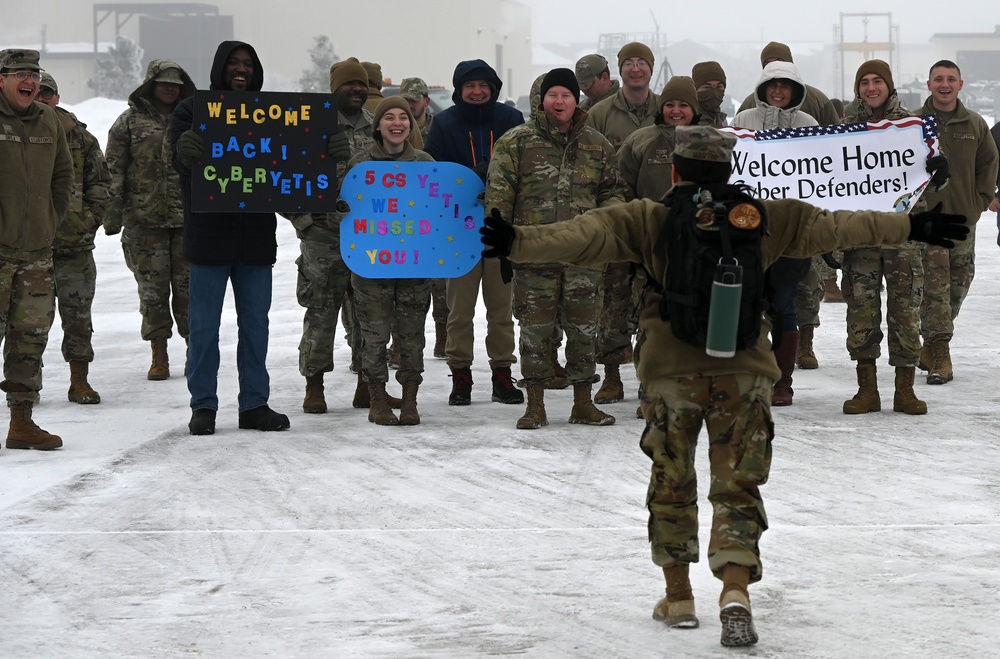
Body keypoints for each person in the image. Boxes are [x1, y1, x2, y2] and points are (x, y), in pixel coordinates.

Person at [479, 125, 969, 648]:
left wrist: (518, 240)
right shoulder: (766, 217)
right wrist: (914, 225)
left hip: (671, 374)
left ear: (676, 170)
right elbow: (845, 226)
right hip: (746, 372)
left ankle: (679, 597)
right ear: (731, 171)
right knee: (737, 485)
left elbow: (579, 237)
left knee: (672, 482)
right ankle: (735, 591)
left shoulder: (648, 217)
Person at [488, 67, 625, 429]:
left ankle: (583, 402)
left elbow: (613, 191)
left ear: (575, 99)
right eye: (553, 95)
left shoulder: (597, 145)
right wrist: (504, 245)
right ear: (542, 100)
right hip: (535, 255)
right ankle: (535, 404)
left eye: (566, 95)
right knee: (535, 330)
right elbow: (499, 197)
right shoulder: (515, 143)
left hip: (585, 256)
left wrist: (606, 229)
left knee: (584, 330)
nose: (559, 101)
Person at [171, 40, 289, 435]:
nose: (241, 70)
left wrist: (327, 151)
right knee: (203, 327)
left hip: (255, 238)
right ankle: (203, 404)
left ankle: (254, 403)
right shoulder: (192, 110)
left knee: (256, 325)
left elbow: (295, 164)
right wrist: (181, 152)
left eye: (248, 64)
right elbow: (174, 160)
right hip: (208, 238)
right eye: (234, 63)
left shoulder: (274, 115)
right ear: (220, 68)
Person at [840, 59, 950, 415]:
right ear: (858, 89)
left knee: (906, 314)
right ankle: (866, 390)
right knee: (861, 313)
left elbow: (933, 182)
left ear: (888, 86)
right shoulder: (844, 129)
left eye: (877, 81)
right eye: (864, 82)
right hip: (860, 239)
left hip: (903, 237)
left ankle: (905, 390)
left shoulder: (912, 126)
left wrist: (939, 171)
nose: (871, 88)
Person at [285, 57, 385, 414]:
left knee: (367, 313)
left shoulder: (377, 127)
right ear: (334, 89)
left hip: (367, 237)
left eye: (361, 84)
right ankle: (315, 386)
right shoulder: (311, 126)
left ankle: (366, 383)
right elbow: (282, 179)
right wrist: (305, 221)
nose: (357, 89)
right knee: (321, 313)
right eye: (349, 84)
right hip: (323, 239)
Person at [423, 58, 525, 406]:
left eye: (484, 85)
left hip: (500, 229)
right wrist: (470, 174)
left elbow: (524, 168)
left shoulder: (511, 120)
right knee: (459, 310)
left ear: (493, 89)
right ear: (459, 91)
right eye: (470, 86)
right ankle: (461, 375)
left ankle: (502, 374)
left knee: (501, 310)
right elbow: (431, 175)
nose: (477, 91)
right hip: (458, 231)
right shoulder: (444, 123)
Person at [731, 60, 818, 406]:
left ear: (796, 91)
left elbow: (822, 174)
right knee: (747, 307)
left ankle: (782, 383)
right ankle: (751, 377)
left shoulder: (808, 125)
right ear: (763, 88)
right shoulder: (744, 121)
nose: (778, 91)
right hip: (748, 233)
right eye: (772, 85)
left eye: (785, 86)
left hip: (790, 234)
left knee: (784, 306)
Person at [0, 49, 73, 450]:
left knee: (30, 339)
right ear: (2, 79)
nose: (30, 80)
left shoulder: (48, 120)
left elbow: (64, 176)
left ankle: (21, 422)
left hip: (36, 253)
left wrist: (49, 219)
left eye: (34, 73)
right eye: (20, 74)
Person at [346, 97, 435, 425]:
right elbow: (344, 209)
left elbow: (438, 211)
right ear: (378, 125)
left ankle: (410, 399)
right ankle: (377, 400)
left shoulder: (426, 164)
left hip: (414, 265)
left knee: (412, 335)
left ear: (410, 126)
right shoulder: (360, 166)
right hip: (372, 266)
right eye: (389, 117)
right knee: (375, 335)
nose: (397, 123)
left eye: (403, 118)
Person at [105, 59, 195, 381]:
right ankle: (159, 355)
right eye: (163, 82)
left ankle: (193, 352)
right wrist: (110, 215)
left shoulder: (195, 120)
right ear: (150, 84)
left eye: (176, 82)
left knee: (189, 293)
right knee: (153, 294)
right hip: (145, 224)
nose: (170, 88)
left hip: (188, 222)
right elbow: (113, 170)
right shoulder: (128, 123)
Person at [586, 42, 660, 406]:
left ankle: (650, 377)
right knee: (613, 302)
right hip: (616, 223)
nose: (635, 69)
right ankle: (613, 376)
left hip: (658, 228)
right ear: (619, 70)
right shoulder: (600, 113)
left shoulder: (669, 109)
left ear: (650, 69)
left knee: (652, 303)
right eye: (628, 63)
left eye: (641, 63)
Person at [917, 60, 1000, 384]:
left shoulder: (975, 124)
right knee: (935, 290)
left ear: (960, 85)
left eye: (951, 79)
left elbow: (989, 164)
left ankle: (931, 344)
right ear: (929, 84)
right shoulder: (914, 123)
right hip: (928, 223)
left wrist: (979, 201)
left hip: (964, 221)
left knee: (958, 287)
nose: (945, 84)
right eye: (938, 79)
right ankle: (941, 356)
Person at [35, 72, 111, 405]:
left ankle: (79, 381)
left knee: (78, 319)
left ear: (57, 98)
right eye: (36, 93)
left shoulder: (80, 138)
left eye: (47, 93)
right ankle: (25, 385)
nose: (42, 99)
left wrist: (88, 222)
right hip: (25, 249)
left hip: (73, 247)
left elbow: (102, 185)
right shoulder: (10, 135)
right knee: (28, 323)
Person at [617, 76, 700, 202]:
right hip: (649, 219)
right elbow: (619, 189)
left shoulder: (708, 142)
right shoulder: (639, 141)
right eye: (669, 105)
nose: (676, 111)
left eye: (683, 105)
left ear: (693, 110)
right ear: (661, 108)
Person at [737, 41, 839, 125]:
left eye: (779, 61)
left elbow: (834, 139)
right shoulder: (749, 105)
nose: (775, 66)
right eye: (768, 63)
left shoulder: (817, 101)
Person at [692, 61, 728, 128]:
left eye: (718, 87)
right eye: (707, 87)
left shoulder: (721, 120)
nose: (714, 92)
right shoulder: (689, 121)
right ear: (695, 90)